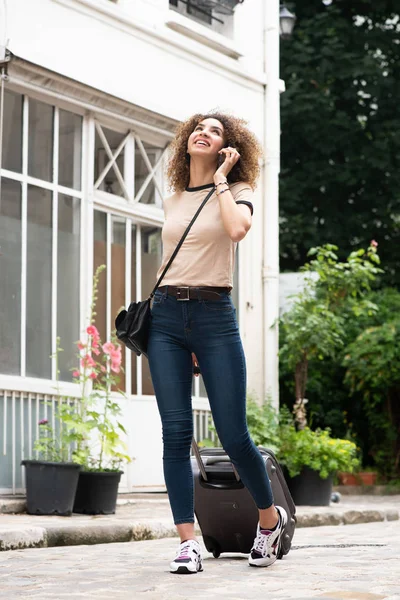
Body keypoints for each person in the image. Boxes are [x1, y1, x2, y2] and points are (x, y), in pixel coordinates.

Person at [147, 112, 287, 574]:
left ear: (229, 148)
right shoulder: (172, 200)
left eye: (216, 130)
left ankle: (268, 522)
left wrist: (224, 180)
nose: (204, 133)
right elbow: (174, 258)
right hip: (167, 318)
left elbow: (236, 231)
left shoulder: (239, 191)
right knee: (175, 433)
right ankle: (188, 542)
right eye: (199, 128)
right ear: (187, 141)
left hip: (214, 317)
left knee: (233, 434)